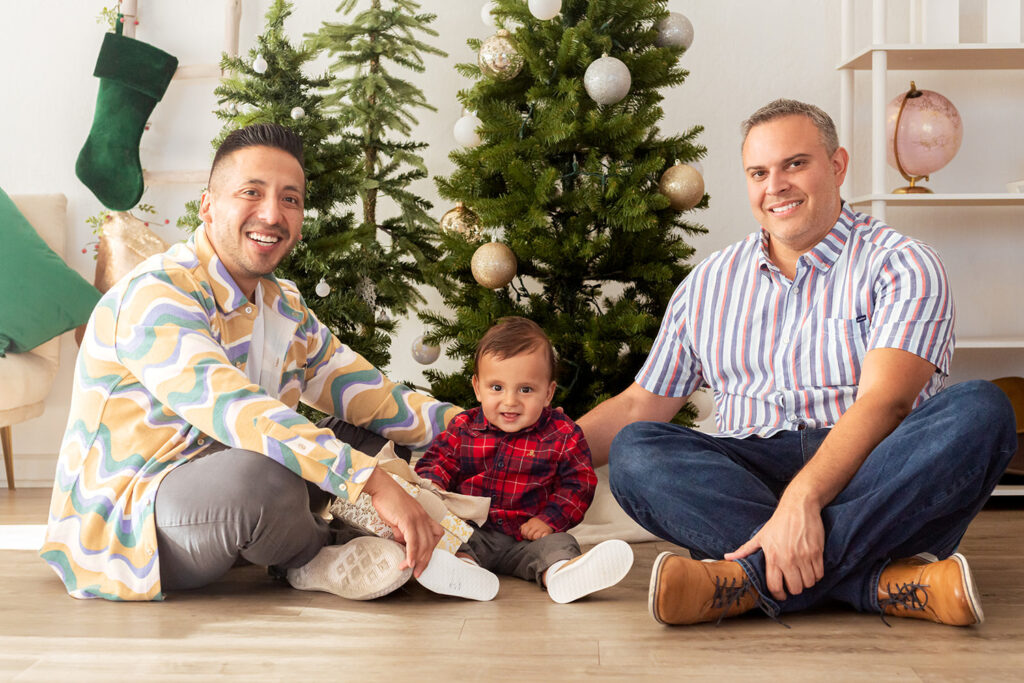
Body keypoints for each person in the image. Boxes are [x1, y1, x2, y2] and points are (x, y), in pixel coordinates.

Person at [576, 99, 1016, 627]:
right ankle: (883, 584)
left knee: (981, 409)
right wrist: (531, 461)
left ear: (837, 166)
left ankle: (742, 582)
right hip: (749, 474)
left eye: (795, 164)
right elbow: (637, 406)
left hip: (872, 470)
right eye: (759, 172)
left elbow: (888, 401)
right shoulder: (709, 282)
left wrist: (803, 500)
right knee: (638, 450)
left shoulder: (902, 262)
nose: (775, 186)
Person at [41, 123, 457, 602]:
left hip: (234, 490)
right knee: (262, 478)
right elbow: (238, 412)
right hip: (137, 517)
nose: (272, 214)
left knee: (368, 437)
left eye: (290, 199)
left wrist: (483, 432)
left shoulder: (283, 305)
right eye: (251, 192)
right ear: (208, 205)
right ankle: (316, 555)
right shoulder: (157, 294)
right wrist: (373, 484)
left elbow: (372, 395)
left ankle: (442, 536)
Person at [413, 317, 634, 603]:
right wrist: (430, 493)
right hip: (472, 530)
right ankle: (464, 572)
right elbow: (437, 463)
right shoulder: (464, 428)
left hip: (528, 537)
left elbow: (578, 484)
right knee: (451, 541)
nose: (510, 401)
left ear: (548, 393)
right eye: (497, 388)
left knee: (560, 545)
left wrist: (549, 520)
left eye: (525, 390)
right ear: (478, 388)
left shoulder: (563, 434)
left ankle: (561, 575)